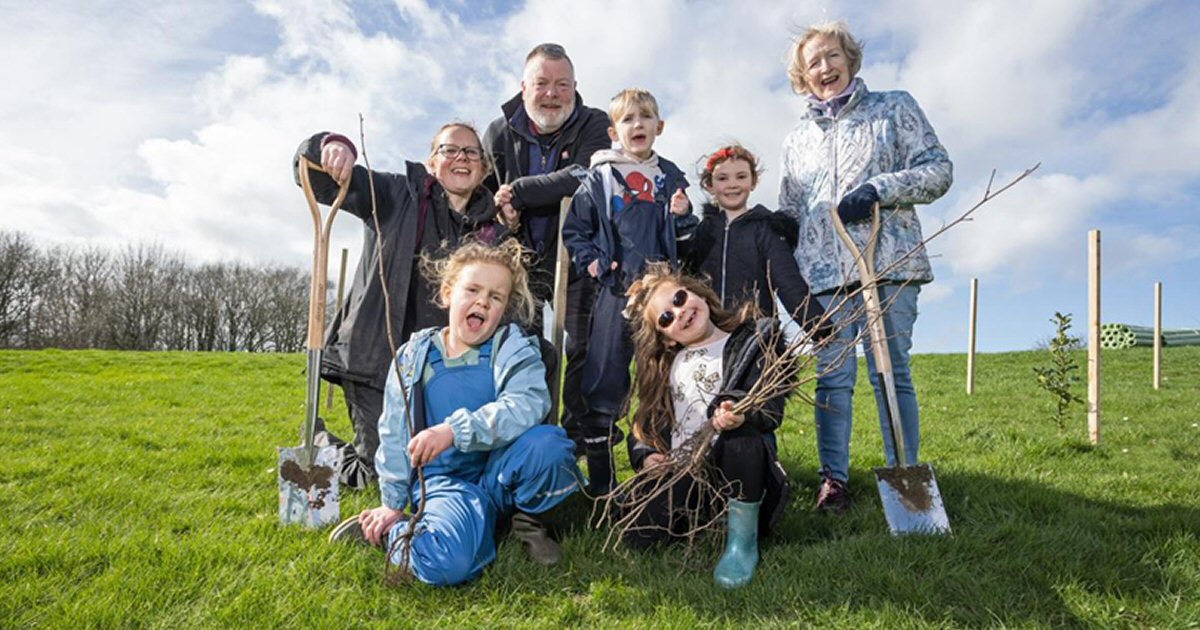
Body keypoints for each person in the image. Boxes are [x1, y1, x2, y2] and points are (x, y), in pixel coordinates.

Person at [328, 240, 580, 585]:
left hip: (500, 474)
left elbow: (527, 403)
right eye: (473, 289)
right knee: (448, 564)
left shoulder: (511, 347)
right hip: (446, 485)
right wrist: (393, 503)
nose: (483, 301)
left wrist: (453, 431)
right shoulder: (414, 355)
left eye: (496, 296)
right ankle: (397, 533)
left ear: (504, 307)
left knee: (550, 447)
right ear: (448, 293)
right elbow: (394, 431)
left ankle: (528, 523)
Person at [778, 21, 953, 512]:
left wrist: (881, 188)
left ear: (850, 59)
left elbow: (938, 169)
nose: (824, 68)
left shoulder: (893, 108)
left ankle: (905, 477)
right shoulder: (797, 139)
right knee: (833, 377)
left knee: (890, 372)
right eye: (813, 63)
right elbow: (791, 207)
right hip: (825, 274)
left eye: (832, 56)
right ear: (803, 76)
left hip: (889, 263)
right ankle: (834, 480)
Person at [292, 122, 507, 490]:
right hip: (374, 360)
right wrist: (331, 146)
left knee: (423, 468)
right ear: (431, 162)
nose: (461, 158)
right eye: (449, 150)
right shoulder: (395, 193)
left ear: (483, 169)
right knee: (379, 476)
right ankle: (320, 443)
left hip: (433, 374)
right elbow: (316, 179)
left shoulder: (491, 231)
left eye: (471, 152)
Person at [621, 264, 791, 589]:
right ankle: (699, 522)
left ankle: (742, 543)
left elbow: (771, 409)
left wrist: (743, 412)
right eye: (666, 318)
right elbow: (647, 423)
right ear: (667, 340)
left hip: (735, 472)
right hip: (687, 472)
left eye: (680, 298)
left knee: (741, 439)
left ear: (697, 292)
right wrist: (645, 456)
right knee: (637, 536)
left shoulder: (752, 342)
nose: (680, 312)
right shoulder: (670, 365)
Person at [561, 88, 695, 495]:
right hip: (618, 291)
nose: (637, 125)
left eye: (645, 117)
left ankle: (653, 470)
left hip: (662, 295)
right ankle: (602, 478)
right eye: (627, 119)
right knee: (605, 374)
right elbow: (575, 231)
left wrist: (684, 217)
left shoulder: (670, 179)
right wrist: (591, 261)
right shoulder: (599, 176)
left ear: (659, 126)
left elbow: (687, 238)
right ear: (613, 131)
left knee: (660, 376)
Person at [483, 43, 611, 453]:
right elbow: (486, 198)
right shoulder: (499, 134)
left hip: (580, 261)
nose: (552, 94)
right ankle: (526, 443)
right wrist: (504, 214)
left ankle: (576, 443)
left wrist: (519, 191)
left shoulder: (595, 124)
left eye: (562, 84)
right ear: (524, 88)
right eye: (542, 84)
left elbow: (588, 175)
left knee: (587, 352)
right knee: (522, 353)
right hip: (520, 266)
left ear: (575, 87)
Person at [681, 143, 826, 333]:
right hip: (710, 335)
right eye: (723, 178)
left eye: (741, 177)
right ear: (710, 186)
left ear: (753, 181)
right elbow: (683, 275)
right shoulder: (703, 232)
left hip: (755, 336)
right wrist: (680, 218)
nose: (732, 184)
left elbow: (788, 283)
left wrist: (820, 328)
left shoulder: (766, 229)